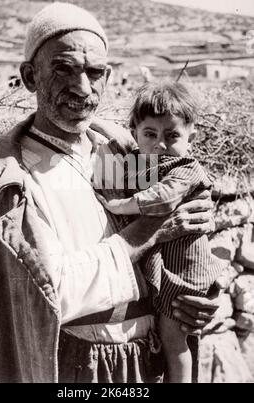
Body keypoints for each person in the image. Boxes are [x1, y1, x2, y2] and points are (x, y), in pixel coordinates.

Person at [0, 2, 225, 383]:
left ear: (108, 77)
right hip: (73, 367)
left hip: (144, 362)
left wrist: (191, 297)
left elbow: (177, 243)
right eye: (63, 69)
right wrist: (153, 229)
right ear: (30, 77)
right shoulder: (9, 177)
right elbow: (50, 292)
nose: (82, 87)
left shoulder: (117, 152)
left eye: (94, 72)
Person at [95, 81, 226, 383]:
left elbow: (163, 197)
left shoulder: (184, 167)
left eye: (172, 135)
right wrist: (96, 123)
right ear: (136, 134)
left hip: (185, 271)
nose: (160, 144)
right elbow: (123, 149)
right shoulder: (144, 164)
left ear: (191, 137)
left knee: (173, 336)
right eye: (150, 135)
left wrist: (121, 206)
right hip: (171, 266)